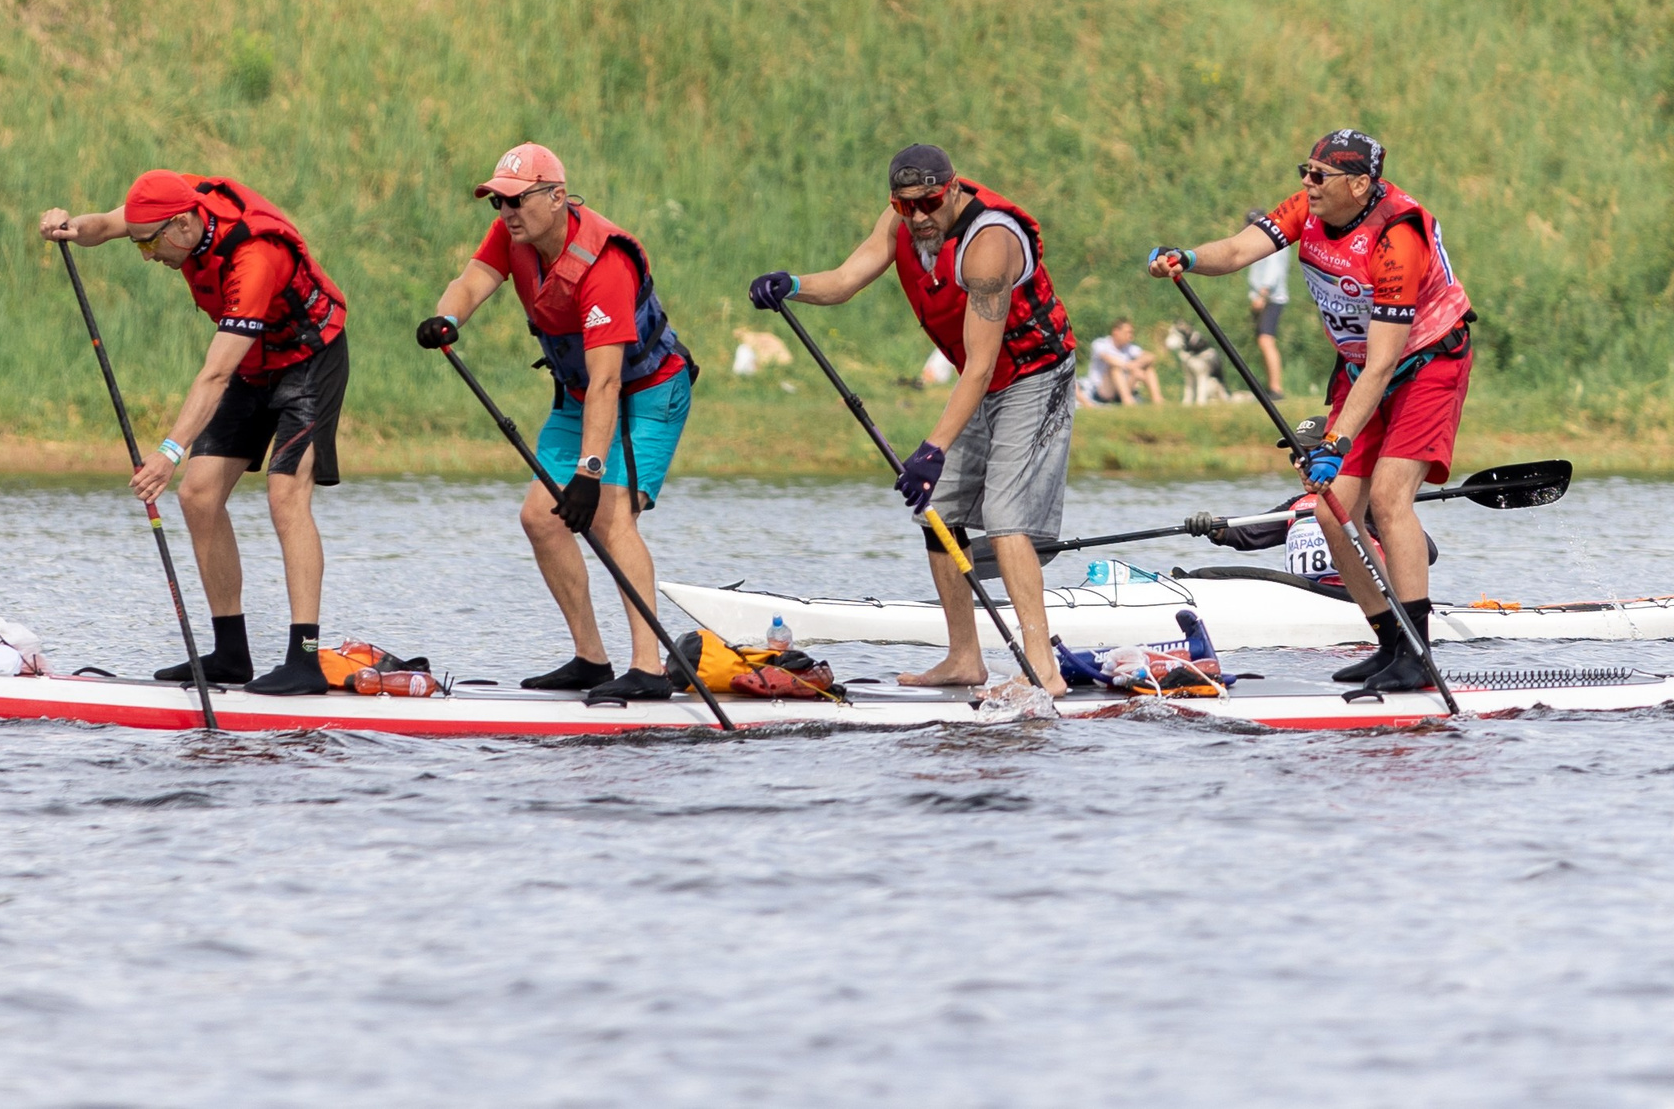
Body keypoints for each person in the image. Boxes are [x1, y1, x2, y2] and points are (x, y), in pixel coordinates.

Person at [1148, 129, 1474, 692]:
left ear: (1361, 184)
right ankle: (1391, 643)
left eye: (1319, 175)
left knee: (1392, 498)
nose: (1307, 183)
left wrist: (1335, 444)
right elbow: (1239, 249)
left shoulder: (1399, 239)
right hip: (1360, 367)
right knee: (1330, 513)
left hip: (1426, 365)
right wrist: (1190, 258)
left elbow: (1383, 364)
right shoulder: (1309, 206)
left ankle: (1419, 655)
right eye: (1306, 170)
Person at [749, 143, 1074, 695]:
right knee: (940, 513)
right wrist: (795, 286)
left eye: (928, 203)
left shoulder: (988, 244)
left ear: (951, 190)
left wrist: (933, 448)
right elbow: (847, 278)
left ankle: (1043, 669)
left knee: (1004, 515)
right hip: (983, 378)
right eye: (906, 206)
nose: (918, 217)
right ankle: (965, 658)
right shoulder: (899, 220)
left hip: (1033, 375)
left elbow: (980, 365)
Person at [40, 171, 350, 694]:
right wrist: (70, 227)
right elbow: (108, 225)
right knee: (199, 495)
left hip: (308, 360)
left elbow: (215, 375)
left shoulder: (256, 258)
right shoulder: (173, 201)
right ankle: (231, 653)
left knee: (285, 496)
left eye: (151, 245)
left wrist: (168, 452)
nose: (148, 257)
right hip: (255, 363)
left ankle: (305, 660)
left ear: (182, 224)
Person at [418, 143, 695, 704]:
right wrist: (448, 318)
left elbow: (609, 381)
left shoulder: (604, 265)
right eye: (498, 201)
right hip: (578, 395)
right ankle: (592, 660)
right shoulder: (512, 234)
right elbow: (472, 280)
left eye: (517, 200)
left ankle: (647, 667)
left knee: (610, 518)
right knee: (540, 518)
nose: (506, 212)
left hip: (646, 393)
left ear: (557, 196)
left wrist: (590, 474)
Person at [1245, 241, 1293, 400]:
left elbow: (1273, 269)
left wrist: (1262, 295)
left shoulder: (1271, 243)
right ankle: (1271, 387)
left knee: (1266, 341)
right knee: (1263, 341)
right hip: (1266, 297)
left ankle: (1275, 388)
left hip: (1270, 298)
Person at [1081, 318, 1161, 406]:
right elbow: (1108, 359)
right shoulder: (1100, 344)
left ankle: (1157, 400)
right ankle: (1127, 401)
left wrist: (1136, 365)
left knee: (1148, 368)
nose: (1131, 336)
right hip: (1103, 389)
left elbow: (1151, 356)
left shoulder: (1129, 347)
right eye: (1128, 332)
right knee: (1115, 369)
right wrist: (1129, 366)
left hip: (1122, 387)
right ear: (1116, 332)